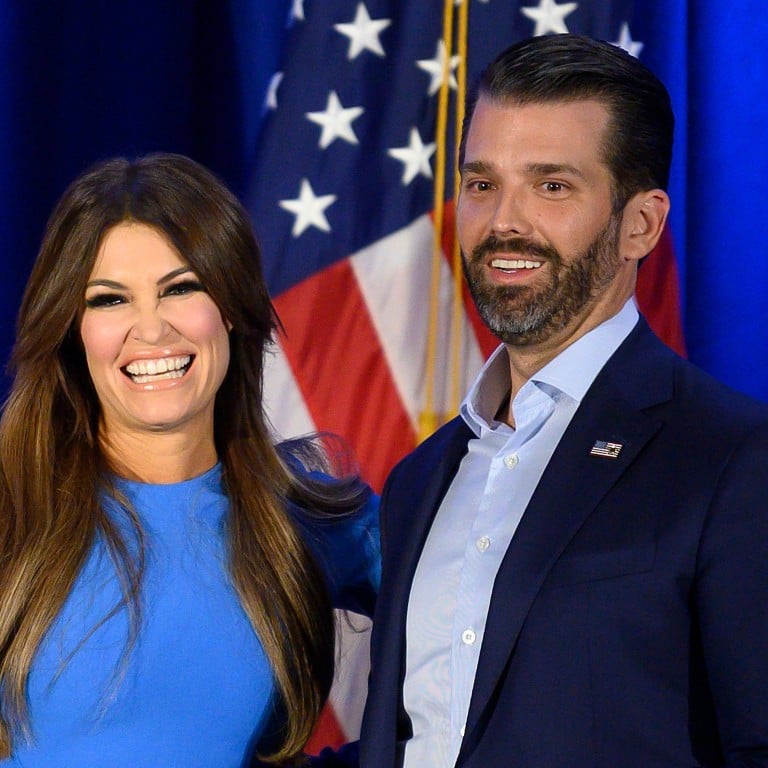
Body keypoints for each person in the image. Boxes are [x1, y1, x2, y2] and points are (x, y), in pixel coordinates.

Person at [320, 33, 768, 768]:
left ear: (641, 224)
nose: (504, 222)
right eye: (481, 183)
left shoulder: (733, 459)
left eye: (552, 186)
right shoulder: (416, 481)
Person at [0, 153, 380, 767]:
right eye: (108, 300)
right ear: (72, 327)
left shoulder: (309, 516)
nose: (150, 330)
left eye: (180, 288)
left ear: (228, 306)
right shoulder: (10, 505)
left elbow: (505, 639)